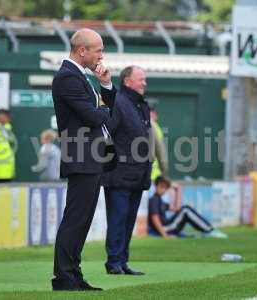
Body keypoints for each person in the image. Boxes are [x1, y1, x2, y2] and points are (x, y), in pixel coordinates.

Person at [51, 28, 116, 291]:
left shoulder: (81, 77)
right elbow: (95, 117)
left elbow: (105, 113)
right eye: (98, 50)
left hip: (90, 157)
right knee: (76, 219)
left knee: (82, 219)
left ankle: (73, 274)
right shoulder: (68, 78)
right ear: (82, 51)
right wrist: (101, 106)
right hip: (81, 157)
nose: (101, 56)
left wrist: (106, 86)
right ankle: (64, 276)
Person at [102, 66, 152, 276]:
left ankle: (122, 261)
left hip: (138, 174)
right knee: (118, 219)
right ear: (127, 81)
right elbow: (106, 134)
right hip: (119, 173)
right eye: (141, 79)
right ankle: (113, 262)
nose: (144, 83)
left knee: (128, 220)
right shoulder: (119, 102)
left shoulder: (142, 106)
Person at [149, 176, 228, 239]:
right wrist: (165, 235)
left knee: (185, 210)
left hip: (168, 226)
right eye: (161, 187)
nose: (163, 190)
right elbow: (155, 218)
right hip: (165, 228)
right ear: (156, 186)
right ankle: (209, 231)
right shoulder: (154, 200)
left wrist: (178, 191)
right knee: (186, 210)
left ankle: (208, 230)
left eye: (165, 187)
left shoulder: (160, 200)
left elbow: (177, 209)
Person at [150, 107, 168, 181]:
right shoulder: (156, 128)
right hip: (153, 174)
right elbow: (161, 151)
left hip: (151, 174)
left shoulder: (155, 128)